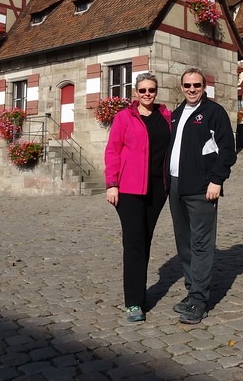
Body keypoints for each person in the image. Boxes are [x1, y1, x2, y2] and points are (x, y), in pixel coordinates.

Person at [168, 67, 237, 324]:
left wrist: (217, 180)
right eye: (187, 85)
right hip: (176, 186)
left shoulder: (213, 113)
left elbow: (227, 150)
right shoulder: (176, 114)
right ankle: (191, 291)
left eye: (197, 85)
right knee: (184, 243)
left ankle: (199, 300)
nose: (192, 89)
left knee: (201, 244)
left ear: (204, 86)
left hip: (202, 188)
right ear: (182, 87)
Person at [104, 72, 172, 323]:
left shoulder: (166, 117)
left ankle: (140, 296)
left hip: (157, 188)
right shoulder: (124, 117)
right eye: (142, 90)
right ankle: (134, 302)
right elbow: (112, 150)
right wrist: (112, 184)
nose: (147, 94)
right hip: (129, 189)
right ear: (135, 93)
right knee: (134, 244)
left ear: (156, 92)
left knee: (146, 241)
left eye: (151, 90)